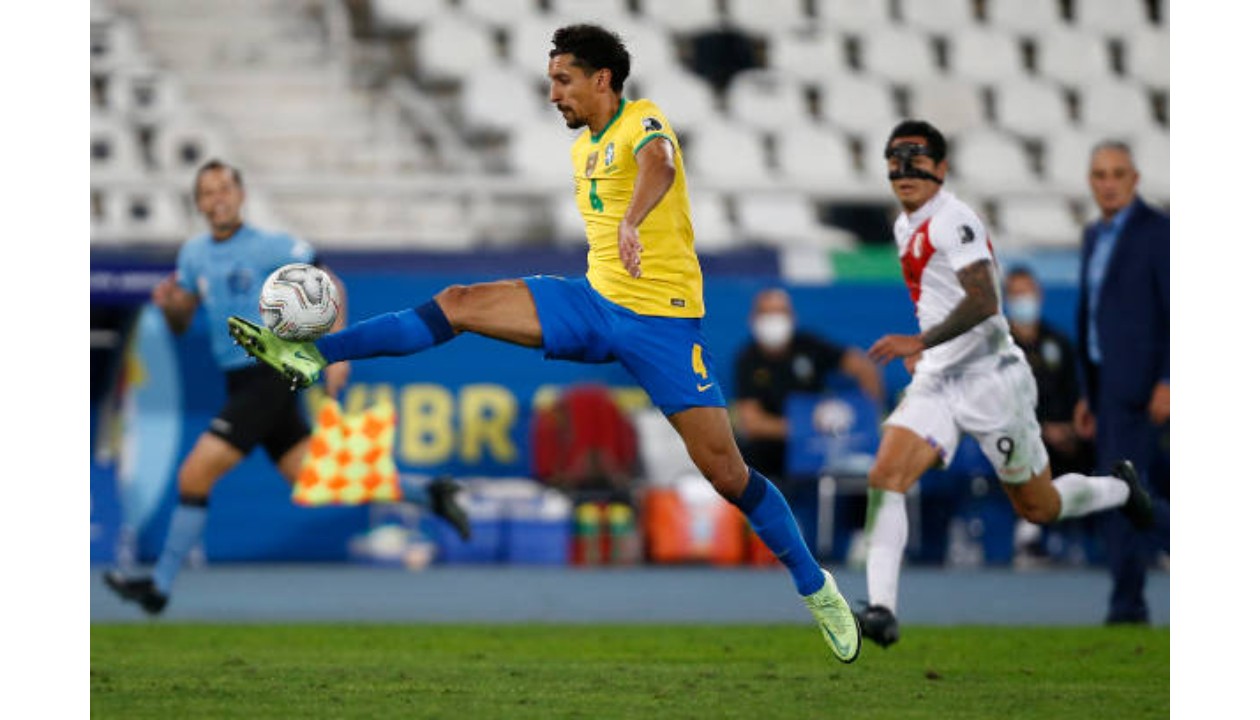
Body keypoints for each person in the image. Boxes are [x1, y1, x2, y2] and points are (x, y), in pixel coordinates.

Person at [227, 24, 862, 663]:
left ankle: (817, 587)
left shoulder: (644, 121)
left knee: (727, 474)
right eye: (551, 79)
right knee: (459, 303)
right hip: (591, 302)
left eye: (563, 80)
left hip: (662, 325)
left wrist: (635, 221)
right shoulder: (581, 148)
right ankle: (312, 355)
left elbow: (659, 166)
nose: (552, 93)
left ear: (601, 80)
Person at [103, 160, 471, 616]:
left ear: (240, 196)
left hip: (271, 371)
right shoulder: (193, 255)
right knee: (312, 477)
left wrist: (339, 352)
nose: (217, 198)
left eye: (224, 189)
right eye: (207, 192)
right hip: (238, 379)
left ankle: (158, 587)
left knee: (193, 476)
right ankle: (429, 494)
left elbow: (330, 283)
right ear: (198, 203)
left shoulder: (270, 245)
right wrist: (173, 306)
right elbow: (180, 323)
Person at [854, 120, 1154, 648]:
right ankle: (881, 610)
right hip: (940, 379)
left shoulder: (954, 220)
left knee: (1038, 506)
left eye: (918, 158)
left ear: (941, 169)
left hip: (995, 382)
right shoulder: (905, 226)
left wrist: (921, 342)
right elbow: (941, 299)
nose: (905, 169)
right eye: (896, 158)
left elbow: (985, 300)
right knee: (886, 476)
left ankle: (1119, 489)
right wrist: (931, 352)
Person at [1074, 141, 1171, 625]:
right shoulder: (1094, 235)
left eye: (1116, 173)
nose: (1107, 182)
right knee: (1120, 493)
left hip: (1143, 387)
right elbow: (1090, 316)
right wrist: (1088, 393)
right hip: (1106, 387)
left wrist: (1170, 380)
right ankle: (1125, 600)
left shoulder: (1160, 234)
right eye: (1099, 174)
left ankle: (1127, 603)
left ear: (1134, 179)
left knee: (1130, 493)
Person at [733, 287, 886, 484]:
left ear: (792, 317)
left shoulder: (809, 346)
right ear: (753, 319)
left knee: (861, 462)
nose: (774, 320)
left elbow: (863, 367)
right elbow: (752, 423)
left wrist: (867, 418)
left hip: (822, 448)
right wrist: (805, 429)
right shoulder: (747, 359)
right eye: (767, 313)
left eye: (781, 312)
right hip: (775, 449)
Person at [1002, 265, 1097, 566]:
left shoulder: (1058, 342)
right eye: (1017, 294)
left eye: (1028, 292)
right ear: (1005, 298)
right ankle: (1029, 534)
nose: (1024, 300)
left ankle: (1111, 536)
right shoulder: (997, 346)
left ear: (1039, 295)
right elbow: (999, 401)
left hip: (1064, 434)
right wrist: (1043, 428)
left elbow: (1074, 393)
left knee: (1098, 447)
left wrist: (1072, 427)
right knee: (1033, 449)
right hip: (1016, 432)